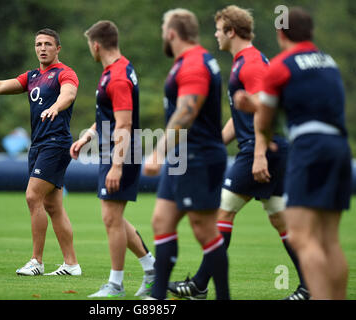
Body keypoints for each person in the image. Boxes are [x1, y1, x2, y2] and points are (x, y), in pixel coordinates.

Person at [168, 5, 308, 300]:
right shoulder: (244, 61)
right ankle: (310, 287)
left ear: (231, 31)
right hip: (270, 149)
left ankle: (200, 285)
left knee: (222, 212)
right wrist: (217, 144)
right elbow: (241, 116)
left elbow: (263, 114)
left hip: (260, 150)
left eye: (219, 29)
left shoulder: (252, 64)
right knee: (280, 220)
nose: (215, 35)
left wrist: (258, 154)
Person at [235, 7, 350, 300]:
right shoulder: (328, 61)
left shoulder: (282, 64)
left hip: (309, 149)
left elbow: (264, 116)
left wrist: (251, 109)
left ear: (281, 33)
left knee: (301, 236)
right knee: (329, 239)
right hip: (339, 149)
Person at [0, 28, 81, 277]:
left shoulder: (65, 73)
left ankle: (36, 262)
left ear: (58, 48)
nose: (42, 48)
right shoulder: (31, 77)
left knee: (32, 197)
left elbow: (69, 94)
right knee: (53, 206)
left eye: (48, 44)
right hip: (39, 145)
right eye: (38, 44)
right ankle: (71, 265)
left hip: (55, 143)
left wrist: (56, 106)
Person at [143, 8, 229, 300]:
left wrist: (158, 152)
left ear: (171, 34)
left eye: (162, 32)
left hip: (198, 156)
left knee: (204, 229)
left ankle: (223, 297)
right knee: (161, 221)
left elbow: (186, 111)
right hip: (184, 155)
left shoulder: (193, 63)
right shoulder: (189, 61)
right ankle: (157, 298)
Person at [70, 20, 155, 298]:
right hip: (113, 151)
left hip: (121, 153)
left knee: (110, 218)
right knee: (114, 218)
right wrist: (87, 137)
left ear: (96, 45)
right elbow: (107, 118)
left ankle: (116, 285)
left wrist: (117, 165)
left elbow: (123, 124)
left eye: (89, 46)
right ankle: (154, 271)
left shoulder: (117, 76)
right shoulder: (116, 70)